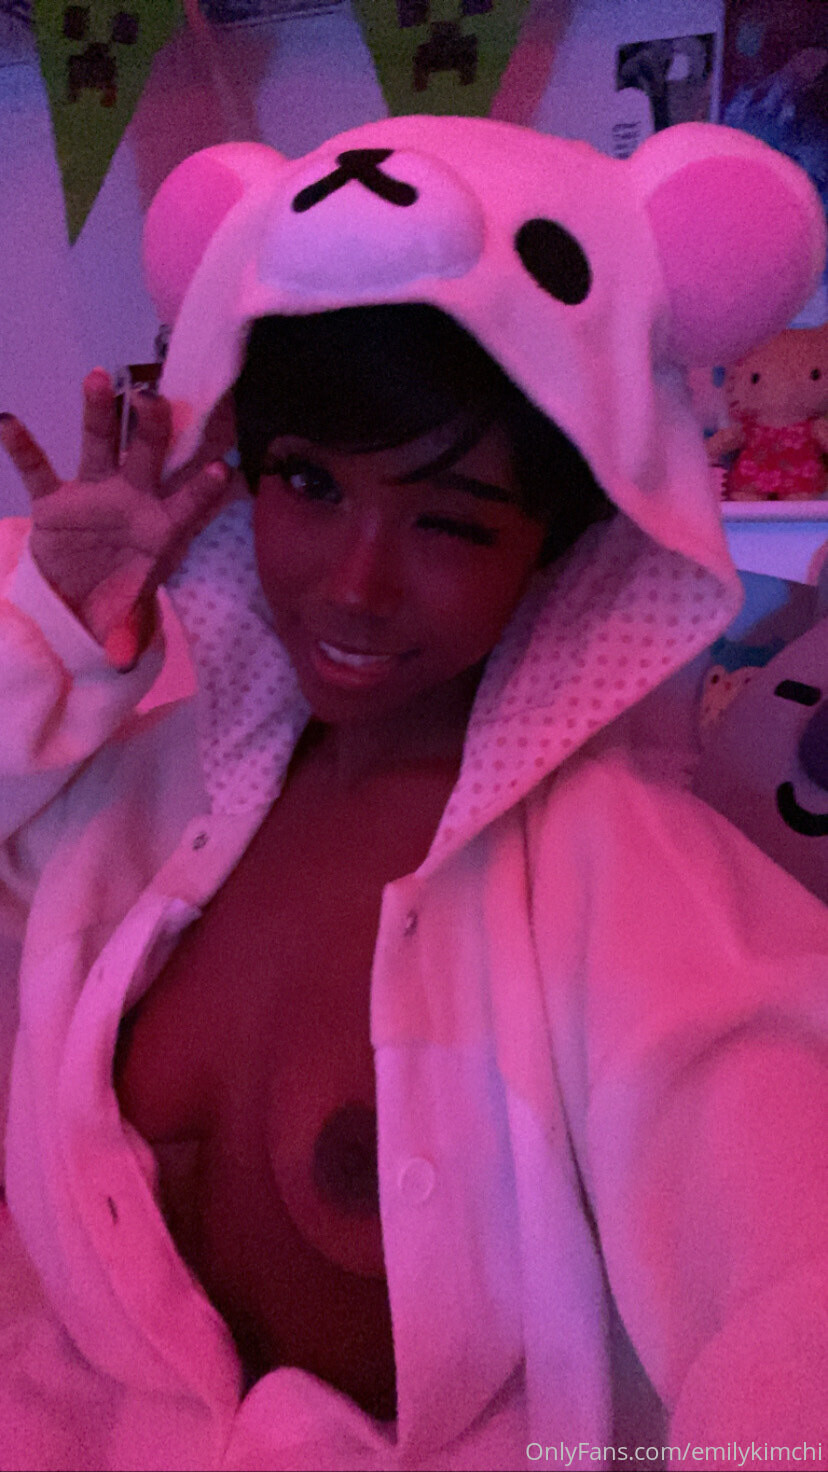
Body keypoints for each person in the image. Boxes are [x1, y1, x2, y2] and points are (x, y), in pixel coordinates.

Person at [0, 114, 825, 1472]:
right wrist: (53, 629)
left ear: (557, 552)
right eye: (308, 484)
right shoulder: (146, 795)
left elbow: (795, 1279)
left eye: (449, 521)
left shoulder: (629, 883)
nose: (356, 585)